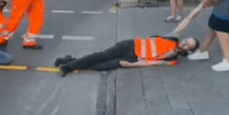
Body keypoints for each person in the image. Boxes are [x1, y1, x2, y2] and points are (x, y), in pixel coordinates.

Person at [55, 31, 199, 77]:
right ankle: (68, 67)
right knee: (101, 56)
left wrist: (131, 65)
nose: (185, 44)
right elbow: (186, 20)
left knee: (101, 66)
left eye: (188, 46)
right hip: (129, 45)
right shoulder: (172, 38)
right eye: (186, 41)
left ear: (188, 51)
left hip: (131, 58)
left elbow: (150, 62)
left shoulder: (172, 59)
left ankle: (69, 60)